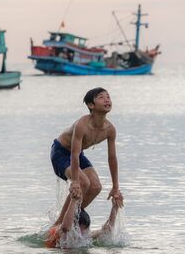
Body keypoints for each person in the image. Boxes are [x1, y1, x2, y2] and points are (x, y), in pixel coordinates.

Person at [50, 87, 124, 226]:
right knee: (83, 182)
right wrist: (76, 182)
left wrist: (115, 187)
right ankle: (59, 224)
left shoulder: (110, 129)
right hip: (61, 152)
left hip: (78, 154)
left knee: (96, 186)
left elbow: (112, 158)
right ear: (91, 105)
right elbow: (74, 153)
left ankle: (74, 217)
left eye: (108, 96)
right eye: (101, 97)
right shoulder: (82, 125)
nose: (107, 99)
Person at [44, 190, 122, 248]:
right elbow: (65, 228)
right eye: (78, 230)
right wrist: (73, 200)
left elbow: (106, 230)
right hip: (52, 243)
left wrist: (115, 207)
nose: (80, 235)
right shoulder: (63, 233)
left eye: (83, 231)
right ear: (73, 227)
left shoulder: (86, 236)